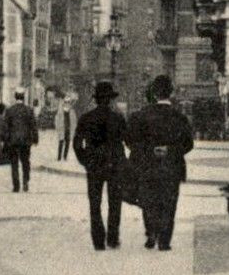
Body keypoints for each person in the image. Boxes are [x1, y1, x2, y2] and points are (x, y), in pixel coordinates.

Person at [126, 75, 195, 251]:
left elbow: (130, 142)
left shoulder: (140, 116)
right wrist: (170, 150)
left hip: (147, 167)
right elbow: (188, 144)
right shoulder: (179, 117)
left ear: (154, 94)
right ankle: (164, 241)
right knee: (169, 204)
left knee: (149, 201)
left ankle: (151, 234)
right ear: (171, 93)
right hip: (171, 168)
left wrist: (149, 151)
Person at [73, 81, 128, 250]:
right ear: (110, 100)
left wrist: (85, 160)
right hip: (114, 164)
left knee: (95, 203)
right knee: (115, 202)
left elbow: (76, 144)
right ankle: (112, 237)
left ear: (96, 100)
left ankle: (98, 240)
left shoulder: (86, 118)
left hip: (94, 165)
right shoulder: (118, 118)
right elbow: (128, 140)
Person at [0, 90, 39, 193]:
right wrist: (35, 139)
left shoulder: (10, 110)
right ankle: (25, 181)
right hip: (26, 141)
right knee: (26, 162)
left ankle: (16, 185)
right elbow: (34, 126)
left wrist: (4, 139)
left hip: (13, 141)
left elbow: (5, 127)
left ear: (15, 97)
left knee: (14, 163)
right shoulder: (29, 110)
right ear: (23, 98)